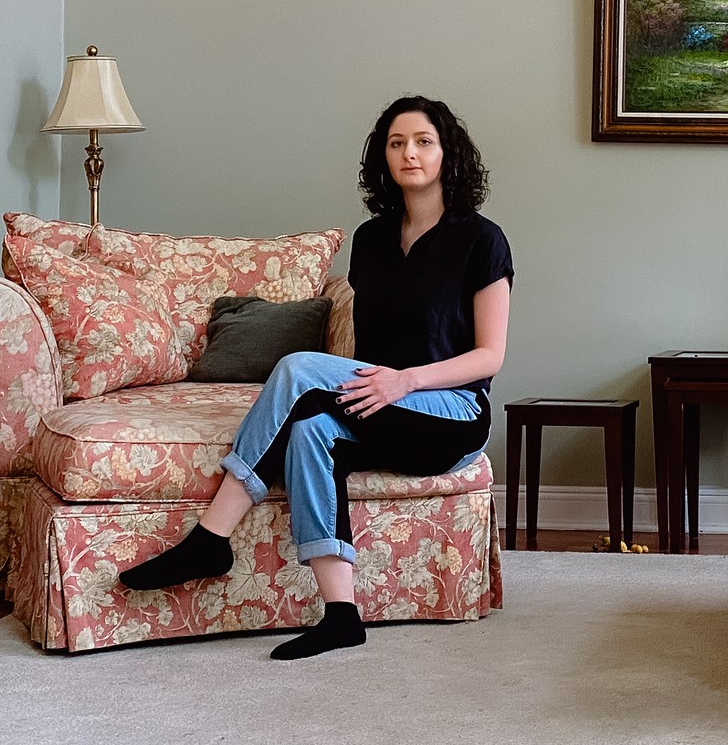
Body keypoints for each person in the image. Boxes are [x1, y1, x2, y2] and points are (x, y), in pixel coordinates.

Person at [118, 96, 513, 660]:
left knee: (299, 366)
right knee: (310, 433)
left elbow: (490, 356)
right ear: (383, 156)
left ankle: (211, 538)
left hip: (450, 413)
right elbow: (368, 353)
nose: (409, 153)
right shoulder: (371, 240)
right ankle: (341, 615)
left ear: (448, 153)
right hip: (382, 406)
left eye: (424, 141)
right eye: (396, 143)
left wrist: (405, 381)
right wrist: (369, 389)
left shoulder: (482, 240)